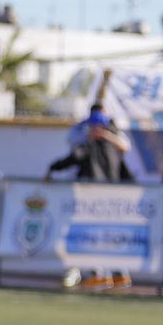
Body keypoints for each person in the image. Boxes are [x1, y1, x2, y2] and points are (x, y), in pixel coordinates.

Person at [47, 115, 134, 289]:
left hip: (93, 201)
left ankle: (100, 273)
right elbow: (126, 173)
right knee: (109, 235)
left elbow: (73, 158)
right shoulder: (114, 146)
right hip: (111, 201)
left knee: (92, 235)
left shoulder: (92, 146)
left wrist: (51, 168)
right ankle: (118, 273)